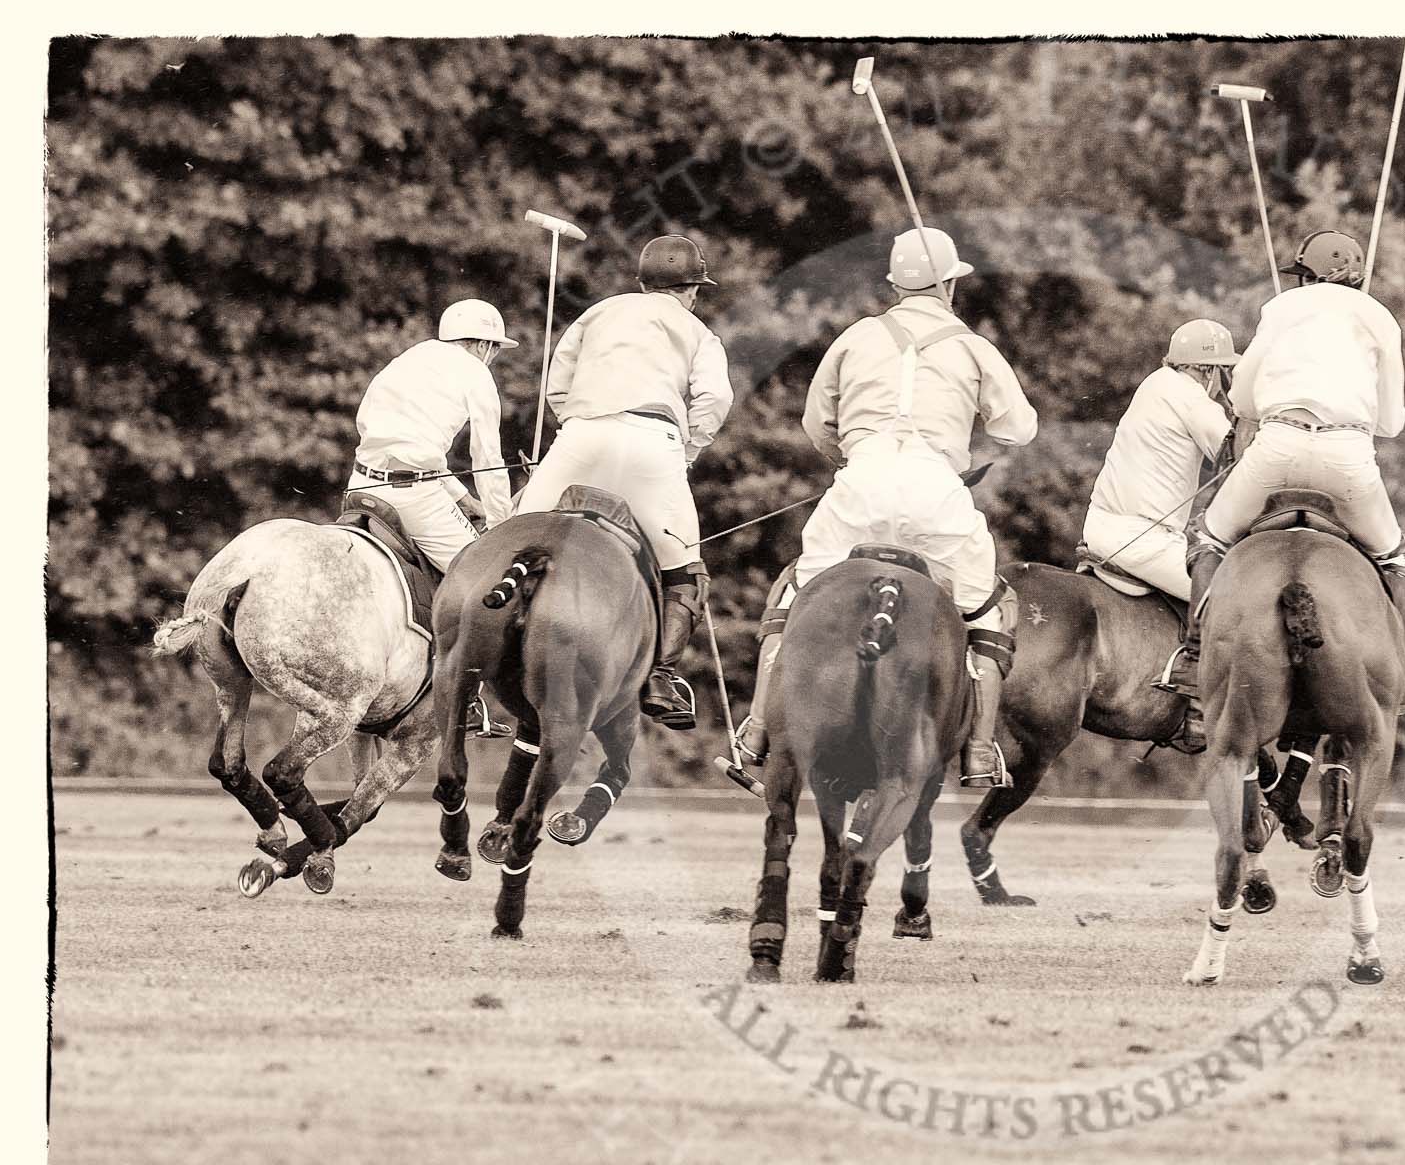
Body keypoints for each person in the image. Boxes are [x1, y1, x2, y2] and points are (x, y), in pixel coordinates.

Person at [731, 226, 1039, 788]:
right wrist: (974, 441)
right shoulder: (973, 346)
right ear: (949, 284)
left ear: (897, 284)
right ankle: (978, 749)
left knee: (798, 596)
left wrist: (849, 459)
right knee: (986, 613)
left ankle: (755, 728)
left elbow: (814, 423)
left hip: (859, 488)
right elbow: (1020, 429)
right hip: (937, 495)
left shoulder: (855, 337)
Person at [1175, 230, 1405, 709]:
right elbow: (1390, 423)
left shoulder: (1279, 308)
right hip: (1348, 458)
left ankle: (1194, 653)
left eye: (1302, 275)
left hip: (1278, 447)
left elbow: (1242, 400)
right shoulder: (1382, 319)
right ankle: (1399, 675)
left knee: (1207, 539)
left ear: (1312, 276)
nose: (1299, 283)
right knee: (1397, 559)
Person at [514, 234, 734, 730]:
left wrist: (576, 426)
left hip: (582, 437)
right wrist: (690, 448)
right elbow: (715, 400)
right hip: (652, 447)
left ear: (640, 282)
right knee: (685, 569)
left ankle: (466, 646)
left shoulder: (598, 313)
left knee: (508, 538)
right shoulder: (698, 331)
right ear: (693, 288)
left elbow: (557, 385)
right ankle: (659, 675)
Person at [349, 298, 517, 736]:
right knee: (482, 585)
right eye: (495, 349)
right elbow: (489, 461)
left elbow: (399, 442)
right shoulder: (476, 374)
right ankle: (464, 698)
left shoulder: (410, 358)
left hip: (360, 484)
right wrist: (501, 525)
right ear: (482, 345)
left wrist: (462, 498)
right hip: (415, 498)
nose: (493, 358)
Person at [1077, 320, 1237, 749]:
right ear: (1210, 371)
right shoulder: (1191, 397)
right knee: (1230, 598)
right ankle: (1201, 706)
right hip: (1144, 540)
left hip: (1105, 528)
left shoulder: (1157, 383)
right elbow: (1239, 457)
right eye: (1224, 373)